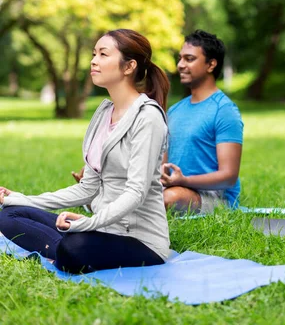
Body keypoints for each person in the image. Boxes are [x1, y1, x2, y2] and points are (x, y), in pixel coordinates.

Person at [0, 29, 171, 273]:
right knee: (10, 214)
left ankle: (65, 249)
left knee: (73, 249)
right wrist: (17, 198)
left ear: (129, 66)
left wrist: (88, 224)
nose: (93, 60)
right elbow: (87, 188)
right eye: (93, 54)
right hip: (100, 228)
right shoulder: (103, 114)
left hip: (140, 239)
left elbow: (136, 193)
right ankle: (65, 246)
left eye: (103, 54)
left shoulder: (148, 117)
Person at [161, 30, 243, 213]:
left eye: (189, 59)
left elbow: (229, 176)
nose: (180, 65)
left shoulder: (225, 111)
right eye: (180, 58)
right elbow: (163, 167)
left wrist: (184, 181)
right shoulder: (174, 111)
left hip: (214, 197)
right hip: (174, 188)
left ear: (211, 64)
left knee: (168, 198)